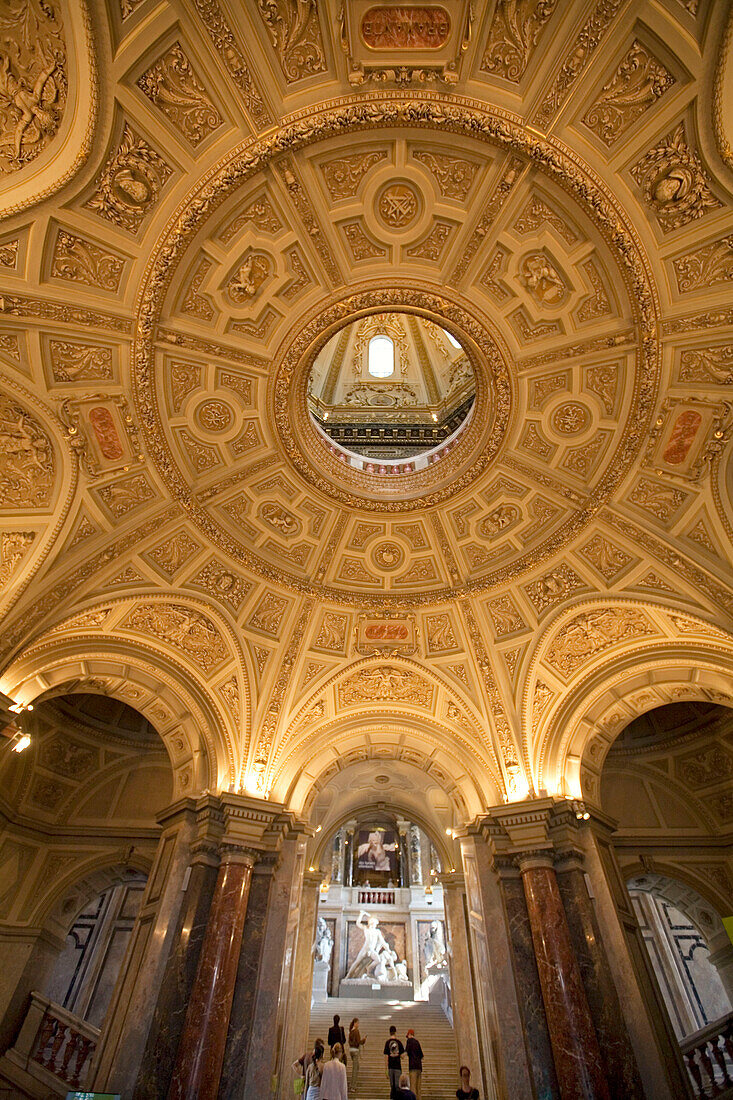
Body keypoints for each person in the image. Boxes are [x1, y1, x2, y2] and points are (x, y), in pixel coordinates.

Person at [383, 1024, 405, 1099]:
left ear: (389, 1032)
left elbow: (386, 1057)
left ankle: (392, 1098)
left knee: (392, 1086)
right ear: (395, 1032)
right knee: (397, 1086)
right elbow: (402, 1056)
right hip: (398, 1067)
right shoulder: (399, 1042)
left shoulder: (387, 1043)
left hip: (390, 1067)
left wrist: (385, 1069)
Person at [348, 1017, 366, 1091]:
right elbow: (359, 1042)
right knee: (355, 1069)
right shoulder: (356, 1031)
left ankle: (352, 1083)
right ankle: (353, 1086)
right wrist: (364, 1040)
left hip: (351, 1050)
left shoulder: (350, 1031)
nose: (358, 1024)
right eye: (358, 1023)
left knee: (356, 1067)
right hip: (355, 1050)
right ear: (355, 1023)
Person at [405, 1028, 423, 1099]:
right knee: (418, 1088)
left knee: (413, 1087)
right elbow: (421, 1055)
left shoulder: (409, 1041)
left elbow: (406, 1051)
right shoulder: (417, 1042)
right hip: (419, 1067)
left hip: (412, 1067)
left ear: (409, 1034)